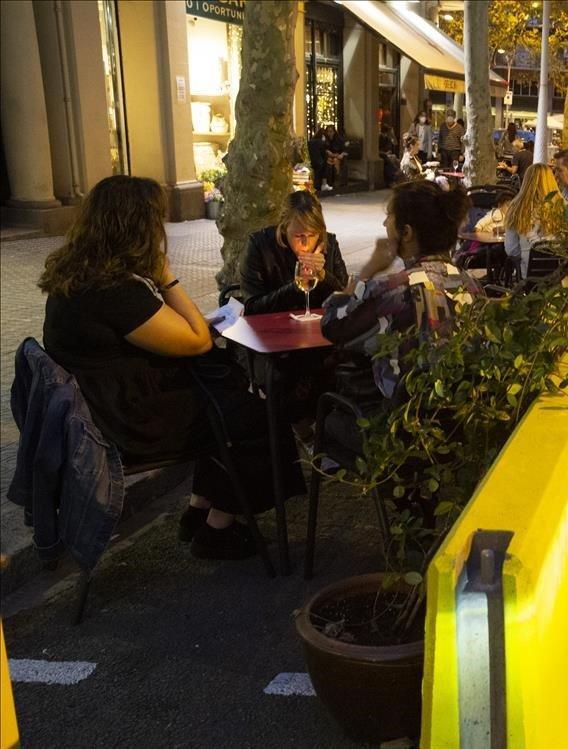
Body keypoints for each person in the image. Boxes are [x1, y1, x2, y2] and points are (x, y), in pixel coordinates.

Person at [39, 176, 306, 560]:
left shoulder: (79, 274)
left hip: (102, 405)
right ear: (136, 227)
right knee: (259, 417)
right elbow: (196, 339)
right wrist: (166, 277)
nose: (160, 231)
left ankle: (199, 509)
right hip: (128, 420)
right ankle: (217, 531)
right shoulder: (114, 291)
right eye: (155, 222)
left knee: (227, 396)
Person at [321, 180, 481, 406]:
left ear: (406, 232)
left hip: (399, 421)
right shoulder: (472, 284)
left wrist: (367, 272)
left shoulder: (395, 290)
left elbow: (332, 325)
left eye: (389, 215)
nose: (385, 222)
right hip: (458, 415)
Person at [240, 190, 349, 315]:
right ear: (284, 228)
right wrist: (296, 287)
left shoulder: (328, 243)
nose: (306, 243)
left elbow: (346, 299)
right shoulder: (260, 245)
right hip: (275, 329)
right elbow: (252, 308)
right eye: (298, 235)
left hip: (321, 327)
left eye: (313, 234)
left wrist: (323, 275)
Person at [505, 163, 564, 278]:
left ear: (526, 182)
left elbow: (511, 250)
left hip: (529, 275)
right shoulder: (562, 207)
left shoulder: (516, 208)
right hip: (559, 276)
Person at [324, 124, 348, 190]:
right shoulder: (326, 140)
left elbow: (344, 150)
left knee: (335, 161)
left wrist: (341, 155)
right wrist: (328, 153)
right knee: (329, 162)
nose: (329, 133)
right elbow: (326, 150)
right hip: (330, 157)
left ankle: (337, 180)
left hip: (338, 157)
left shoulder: (339, 140)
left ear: (334, 132)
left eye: (331, 131)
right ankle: (329, 182)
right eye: (328, 131)